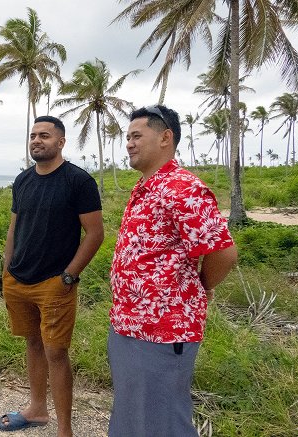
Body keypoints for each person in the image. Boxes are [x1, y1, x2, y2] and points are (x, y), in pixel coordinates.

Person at [108, 104, 238, 437]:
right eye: (128, 137)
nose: (129, 143)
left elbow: (222, 252)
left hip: (164, 329)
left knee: (162, 421)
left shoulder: (183, 189)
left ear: (166, 138)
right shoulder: (144, 187)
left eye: (137, 135)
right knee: (133, 414)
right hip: (129, 323)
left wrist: (200, 283)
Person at [0, 115, 105, 436]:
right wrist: (7, 271)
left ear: (60, 142)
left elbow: (95, 234)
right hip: (19, 280)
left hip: (55, 283)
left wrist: (69, 277)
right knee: (32, 343)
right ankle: (37, 410)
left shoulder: (78, 181)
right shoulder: (23, 180)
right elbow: (15, 227)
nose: (36, 140)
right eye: (32, 135)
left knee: (56, 352)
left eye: (44, 135)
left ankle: (65, 430)